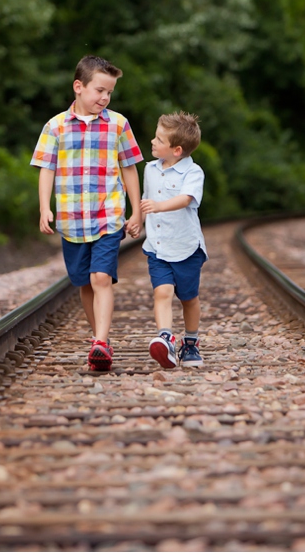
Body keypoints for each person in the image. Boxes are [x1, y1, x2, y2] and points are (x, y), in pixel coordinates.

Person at [31, 55, 143, 372]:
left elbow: (130, 168)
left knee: (100, 277)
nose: (104, 98)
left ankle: (101, 342)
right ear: (79, 87)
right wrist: (44, 208)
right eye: (99, 91)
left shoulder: (118, 124)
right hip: (71, 218)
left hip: (108, 214)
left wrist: (136, 211)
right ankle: (99, 338)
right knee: (84, 283)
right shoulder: (55, 127)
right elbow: (46, 169)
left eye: (109, 93)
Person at [140, 111, 207, 368]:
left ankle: (190, 343)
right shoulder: (150, 169)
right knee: (162, 292)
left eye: (159, 139)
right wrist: (137, 220)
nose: (153, 142)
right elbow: (145, 201)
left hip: (186, 247)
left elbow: (186, 199)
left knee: (188, 297)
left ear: (176, 150)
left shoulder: (193, 172)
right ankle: (166, 338)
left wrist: (159, 206)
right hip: (157, 246)